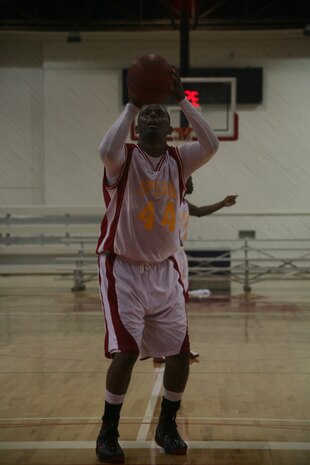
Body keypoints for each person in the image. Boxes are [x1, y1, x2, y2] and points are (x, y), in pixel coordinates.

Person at [95, 65, 219, 463]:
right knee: (126, 352)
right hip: (123, 268)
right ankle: (108, 431)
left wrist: (183, 100)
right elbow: (103, 149)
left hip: (165, 270)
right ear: (136, 125)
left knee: (180, 353)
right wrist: (131, 104)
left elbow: (212, 143)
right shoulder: (121, 159)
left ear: (170, 127)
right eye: (144, 113)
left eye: (157, 113)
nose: (151, 115)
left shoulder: (181, 161)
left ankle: (167, 424)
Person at [153, 178, 237, 363]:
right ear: (181, 183)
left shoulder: (183, 202)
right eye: (189, 179)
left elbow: (199, 212)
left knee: (180, 302)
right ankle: (161, 348)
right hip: (168, 254)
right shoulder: (168, 200)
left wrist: (223, 203)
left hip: (179, 254)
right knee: (167, 303)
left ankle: (178, 348)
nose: (193, 183)